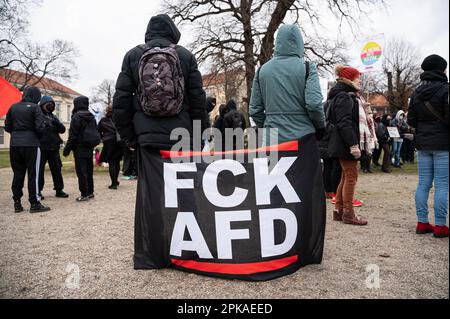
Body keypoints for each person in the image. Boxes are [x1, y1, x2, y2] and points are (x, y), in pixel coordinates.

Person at [112, 14, 206, 268]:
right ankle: (189, 249)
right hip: (181, 137)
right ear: (173, 32)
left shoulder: (133, 55)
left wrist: (130, 137)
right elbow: (198, 100)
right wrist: (199, 137)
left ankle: (151, 254)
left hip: (147, 137)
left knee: (151, 196)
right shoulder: (185, 56)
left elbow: (120, 103)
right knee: (186, 193)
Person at [249, 24, 325, 144]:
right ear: (299, 43)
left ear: (277, 42)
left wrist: (269, 126)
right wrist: (320, 127)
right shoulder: (308, 68)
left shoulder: (262, 70)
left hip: (272, 140)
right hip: (303, 138)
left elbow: (254, 110)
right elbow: (314, 104)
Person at [408, 54, 449, 238]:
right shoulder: (446, 90)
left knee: (423, 184)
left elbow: (411, 120)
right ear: (441, 69)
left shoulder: (416, 92)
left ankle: (422, 222)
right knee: (442, 185)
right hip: (443, 144)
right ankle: (440, 226)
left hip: (423, 144)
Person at [327, 65, 369, 226]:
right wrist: (353, 144)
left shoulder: (343, 95)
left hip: (340, 142)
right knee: (351, 177)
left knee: (345, 177)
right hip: (345, 142)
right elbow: (344, 123)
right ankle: (348, 213)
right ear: (349, 79)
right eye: (357, 77)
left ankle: (339, 211)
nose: (360, 79)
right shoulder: (345, 96)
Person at [5, 86, 51, 213]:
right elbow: (40, 127)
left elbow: (7, 127)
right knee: (33, 174)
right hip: (31, 144)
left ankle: (17, 202)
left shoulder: (13, 107)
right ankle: (34, 203)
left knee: (18, 174)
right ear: (36, 96)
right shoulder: (35, 107)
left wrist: (17, 132)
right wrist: (38, 134)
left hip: (14, 144)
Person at [63, 96, 101, 202]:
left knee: (81, 172)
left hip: (79, 148)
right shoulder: (92, 116)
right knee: (89, 171)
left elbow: (73, 136)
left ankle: (84, 194)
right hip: (89, 147)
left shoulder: (76, 117)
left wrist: (67, 149)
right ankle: (90, 192)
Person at [37, 96, 69, 199]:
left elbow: (63, 130)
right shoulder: (38, 115)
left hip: (54, 147)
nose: (51, 106)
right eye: (48, 104)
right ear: (43, 105)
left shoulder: (53, 116)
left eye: (52, 104)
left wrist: (57, 123)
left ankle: (59, 189)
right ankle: (38, 190)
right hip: (42, 148)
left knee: (57, 169)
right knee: (40, 170)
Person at [98, 106, 124, 190]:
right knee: (116, 162)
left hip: (109, 143)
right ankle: (115, 181)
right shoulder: (119, 119)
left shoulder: (103, 120)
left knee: (112, 163)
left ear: (106, 111)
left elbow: (98, 131)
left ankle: (113, 183)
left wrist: (103, 137)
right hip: (119, 142)